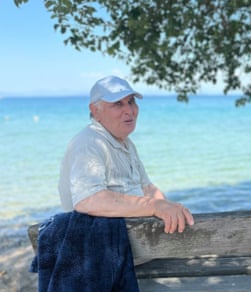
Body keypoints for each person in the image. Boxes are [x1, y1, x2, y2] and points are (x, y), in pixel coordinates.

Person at [58, 76, 194, 233]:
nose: (129, 111)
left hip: (138, 244)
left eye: (131, 102)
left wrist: (169, 208)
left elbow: (147, 188)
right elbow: (88, 200)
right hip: (105, 250)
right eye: (118, 104)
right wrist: (154, 206)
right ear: (95, 111)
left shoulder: (126, 143)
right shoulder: (89, 142)